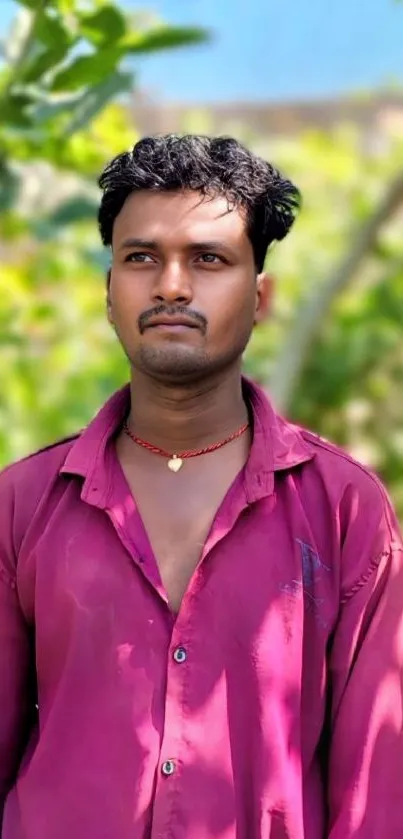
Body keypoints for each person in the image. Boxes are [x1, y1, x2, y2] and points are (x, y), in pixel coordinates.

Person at [0, 134, 402, 839]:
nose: (172, 285)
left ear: (260, 297)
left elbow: (377, 785)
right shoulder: (21, 505)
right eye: (141, 257)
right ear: (109, 290)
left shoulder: (343, 509)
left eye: (208, 259)